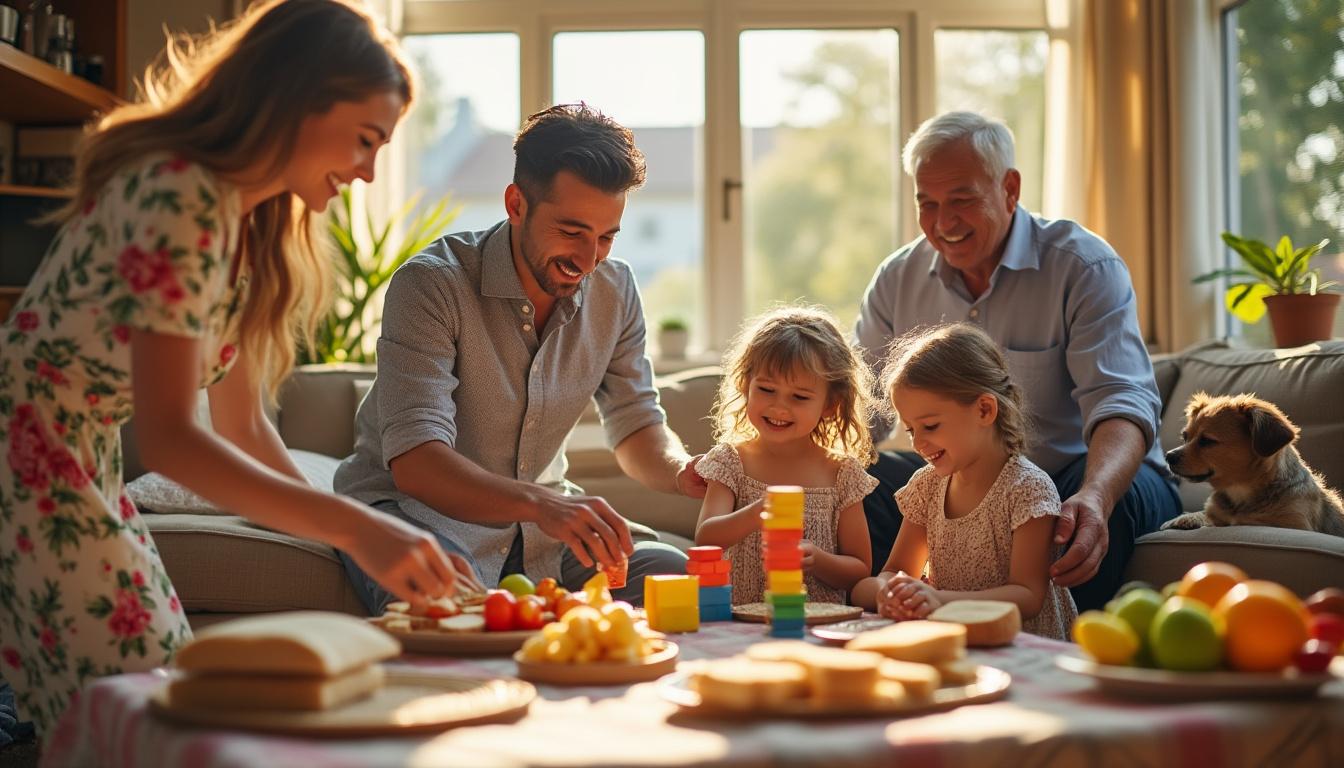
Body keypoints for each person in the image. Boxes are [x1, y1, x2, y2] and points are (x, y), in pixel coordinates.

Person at [0, 0, 485, 737]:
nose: (368, 171)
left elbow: (243, 424)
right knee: (146, 704)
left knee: (129, 703)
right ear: (296, 99)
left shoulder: (246, 228)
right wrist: (359, 530)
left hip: (71, 454)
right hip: (23, 453)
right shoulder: (178, 193)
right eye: (364, 139)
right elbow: (170, 441)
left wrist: (347, 538)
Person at [334, 103, 705, 612]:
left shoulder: (615, 291)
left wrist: (683, 470)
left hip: (543, 530)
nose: (588, 257)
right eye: (572, 231)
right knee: (448, 603)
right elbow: (417, 465)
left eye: (606, 237)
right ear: (516, 204)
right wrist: (545, 505)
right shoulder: (431, 284)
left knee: (678, 579)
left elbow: (636, 421)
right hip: (417, 516)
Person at [855, 111, 1181, 612]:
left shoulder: (1083, 266)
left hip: (1076, 472)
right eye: (928, 204)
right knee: (855, 488)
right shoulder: (897, 278)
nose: (943, 222)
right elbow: (863, 413)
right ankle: (904, 621)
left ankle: (1058, 659)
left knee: (1082, 513)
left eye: (962, 199)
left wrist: (1095, 495)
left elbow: (1121, 400)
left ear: (1009, 188)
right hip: (960, 475)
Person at [852, 324, 1078, 640]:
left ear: (984, 410)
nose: (918, 443)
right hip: (956, 641)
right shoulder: (927, 486)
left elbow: (1027, 596)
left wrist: (938, 601)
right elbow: (891, 573)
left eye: (930, 426)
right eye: (911, 430)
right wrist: (887, 593)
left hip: (1018, 643)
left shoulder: (1027, 490)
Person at [694, 306, 876, 604]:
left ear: (831, 405)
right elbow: (706, 539)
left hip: (814, 625)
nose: (779, 407)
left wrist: (816, 559)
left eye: (800, 397)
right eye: (766, 389)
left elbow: (859, 570)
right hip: (740, 623)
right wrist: (756, 513)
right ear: (745, 385)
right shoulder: (731, 461)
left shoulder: (842, 472)